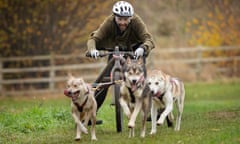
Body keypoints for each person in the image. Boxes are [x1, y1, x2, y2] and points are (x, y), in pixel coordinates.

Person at [86, 1, 155, 123]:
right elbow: (94, 38)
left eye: (126, 19)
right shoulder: (109, 22)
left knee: (141, 76)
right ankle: (91, 115)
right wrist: (92, 50)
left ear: (131, 17)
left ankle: (151, 110)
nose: (123, 22)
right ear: (115, 17)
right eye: (120, 19)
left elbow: (148, 38)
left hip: (135, 50)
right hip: (115, 50)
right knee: (104, 80)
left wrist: (142, 48)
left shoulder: (136, 21)